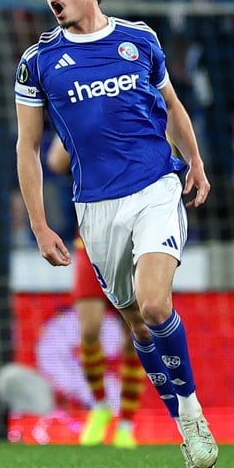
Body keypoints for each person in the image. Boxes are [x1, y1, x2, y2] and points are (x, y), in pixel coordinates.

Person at [14, 0, 217, 468]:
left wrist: (194, 161)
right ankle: (179, 424)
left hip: (155, 187)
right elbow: (27, 148)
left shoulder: (139, 40)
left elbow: (171, 105)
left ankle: (193, 413)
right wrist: (38, 222)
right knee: (135, 324)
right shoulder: (38, 63)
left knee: (154, 306)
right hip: (94, 209)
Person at [46, 136, 145, 449]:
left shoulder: (140, 109)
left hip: (134, 237)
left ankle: (127, 423)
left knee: (138, 332)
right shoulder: (83, 109)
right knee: (89, 330)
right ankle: (101, 407)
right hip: (91, 238)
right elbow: (55, 162)